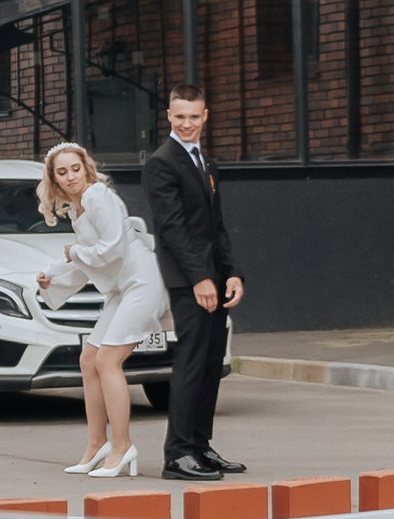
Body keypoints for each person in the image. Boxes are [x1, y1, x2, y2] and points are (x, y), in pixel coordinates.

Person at [34, 141, 170, 480]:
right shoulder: (77, 210)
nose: (70, 177)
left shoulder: (98, 197)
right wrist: (53, 275)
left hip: (141, 282)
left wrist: (73, 252)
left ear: (86, 169)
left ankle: (123, 446)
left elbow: (111, 249)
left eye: (75, 169)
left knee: (108, 361)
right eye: (62, 172)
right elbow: (88, 262)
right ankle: (98, 444)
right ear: (54, 179)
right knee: (88, 359)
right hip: (121, 289)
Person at [143, 86, 245, 482]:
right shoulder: (161, 163)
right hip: (189, 281)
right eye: (180, 116)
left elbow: (217, 227)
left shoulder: (207, 162)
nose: (187, 123)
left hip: (215, 279)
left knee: (210, 363)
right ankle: (178, 455)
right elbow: (172, 229)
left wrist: (232, 272)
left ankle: (200, 446)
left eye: (194, 116)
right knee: (190, 363)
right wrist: (200, 279)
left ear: (205, 116)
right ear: (169, 116)